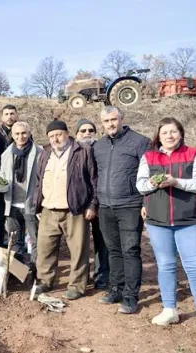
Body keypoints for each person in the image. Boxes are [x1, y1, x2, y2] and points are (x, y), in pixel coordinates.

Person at [137, 117, 196, 343]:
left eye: (173, 131)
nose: (169, 136)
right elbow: (140, 185)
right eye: (164, 132)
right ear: (159, 136)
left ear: (180, 133)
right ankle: (169, 310)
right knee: (165, 266)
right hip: (157, 221)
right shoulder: (149, 157)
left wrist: (176, 181)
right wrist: (154, 184)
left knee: (194, 267)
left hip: (189, 220)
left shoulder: (195, 154)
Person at [93, 106, 151, 314]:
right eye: (106, 121)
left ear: (121, 119)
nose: (110, 124)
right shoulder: (98, 146)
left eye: (114, 119)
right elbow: (95, 177)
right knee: (113, 250)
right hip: (106, 206)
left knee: (130, 250)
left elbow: (150, 175)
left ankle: (130, 295)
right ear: (102, 124)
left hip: (130, 205)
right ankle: (115, 289)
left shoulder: (140, 142)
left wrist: (147, 203)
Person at [32, 120, 97, 300]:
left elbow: (93, 180)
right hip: (48, 209)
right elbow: (39, 180)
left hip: (74, 210)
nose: (55, 139)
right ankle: (45, 281)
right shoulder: (45, 153)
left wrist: (92, 204)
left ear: (67, 133)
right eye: (51, 136)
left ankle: (77, 285)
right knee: (45, 249)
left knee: (78, 250)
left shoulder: (82, 151)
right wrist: (38, 204)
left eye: (58, 134)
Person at [0, 121, 42, 276]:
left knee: (35, 239)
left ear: (29, 133)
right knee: (15, 239)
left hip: (31, 203)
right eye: (17, 134)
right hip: (12, 204)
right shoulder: (6, 154)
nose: (21, 136)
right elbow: (2, 176)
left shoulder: (39, 152)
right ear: (13, 135)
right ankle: (17, 271)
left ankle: (36, 271)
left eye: (24, 133)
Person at [74, 118, 109, 290]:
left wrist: (94, 203)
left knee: (101, 241)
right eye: (83, 130)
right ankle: (81, 277)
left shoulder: (101, 150)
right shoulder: (72, 151)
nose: (87, 133)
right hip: (78, 204)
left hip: (100, 203)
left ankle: (101, 276)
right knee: (80, 242)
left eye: (90, 130)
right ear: (76, 134)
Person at [0, 105, 19, 248]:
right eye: (6, 114)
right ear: (2, 117)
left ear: (16, 115)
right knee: (1, 213)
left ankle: (16, 244)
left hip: (19, 179)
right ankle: (0, 242)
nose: (9, 116)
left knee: (16, 213)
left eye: (12, 113)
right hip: (1, 178)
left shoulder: (23, 132)